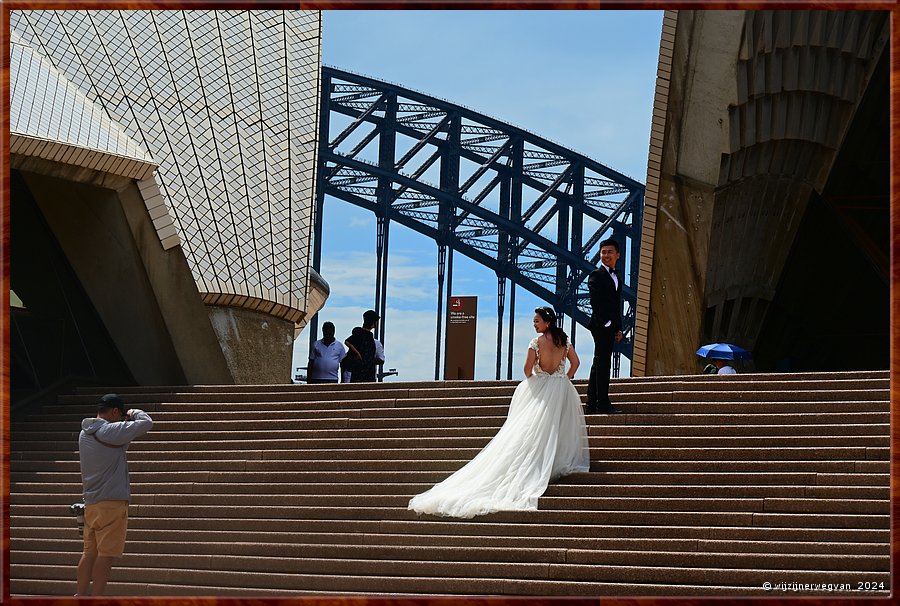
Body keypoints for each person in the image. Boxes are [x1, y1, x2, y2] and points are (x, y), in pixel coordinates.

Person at [408, 306, 590, 518]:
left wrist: (539, 379)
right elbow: (576, 363)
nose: (534, 324)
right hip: (561, 388)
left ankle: (535, 464)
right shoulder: (564, 342)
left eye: (537, 321)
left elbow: (526, 369)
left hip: (542, 387)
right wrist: (563, 378)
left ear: (547, 322)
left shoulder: (536, 343)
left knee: (532, 429)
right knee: (556, 427)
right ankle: (554, 462)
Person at [76, 394, 153, 596]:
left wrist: (124, 425)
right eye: (120, 415)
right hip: (111, 503)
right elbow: (147, 423)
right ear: (115, 411)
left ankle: (80, 595)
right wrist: (134, 413)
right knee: (106, 554)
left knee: (88, 553)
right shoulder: (110, 430)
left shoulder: (84, 433)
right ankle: (98, 597)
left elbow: (116, 446)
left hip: (91, 503)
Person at [586, 238, 624, 414]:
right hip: (601, 325)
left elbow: (616, 305)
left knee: (599, 363)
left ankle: (592, 404)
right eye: (603, 252)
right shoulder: (596, 275)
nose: (606, 255)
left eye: (609, 252)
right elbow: (596, 303)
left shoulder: (617, 277)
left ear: (618, 255)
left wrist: (618, 327)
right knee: (603, 364)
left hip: (609, 326)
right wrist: (607, 324)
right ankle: (602, 403)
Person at [344, 310, 379, 382]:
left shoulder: (369, 335)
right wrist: (357, 353)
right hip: (361, 370)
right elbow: (347, 341)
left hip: (368, 370)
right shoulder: (360, 332)